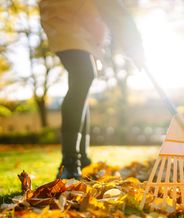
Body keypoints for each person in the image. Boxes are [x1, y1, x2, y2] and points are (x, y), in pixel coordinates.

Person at [39, 0, 145, 179]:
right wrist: (135, 47)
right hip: (66, 16)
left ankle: (82, 159)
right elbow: (116, 12)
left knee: (82, 82)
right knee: (84, 75)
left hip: (77, 24)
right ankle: (70, 163)